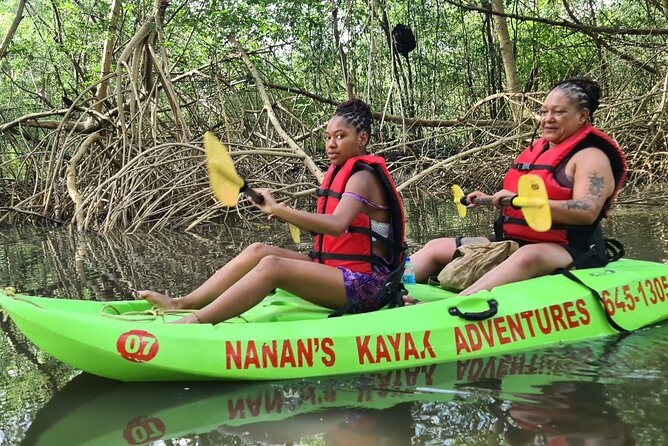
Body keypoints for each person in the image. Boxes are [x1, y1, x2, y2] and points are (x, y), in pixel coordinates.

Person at [138, 98, 405, 323]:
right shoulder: (340, 174)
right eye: (328, 138)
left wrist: (279, 209)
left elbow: (336, 224)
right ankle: (183, 303)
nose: (331, 144)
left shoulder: (363, 177)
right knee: (258, 250)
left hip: (369, 285)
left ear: (362, 139)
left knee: (272, 266)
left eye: (340, 136)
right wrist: (276, 209)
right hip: (336, 269)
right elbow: (330, 231)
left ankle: (194, 322)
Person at [410, 76, 626, 295]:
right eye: (544, 112)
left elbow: (587, 212)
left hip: (572, 250)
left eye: (558, 112)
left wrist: (521, 202)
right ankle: (382, 291)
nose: (548, 119)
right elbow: (520, 199)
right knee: (436, 247)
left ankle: (459, 305)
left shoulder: (592, 157)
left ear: (582, 115)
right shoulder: (539, 150)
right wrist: (496, 199)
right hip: (515, 242)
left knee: (528, 256)